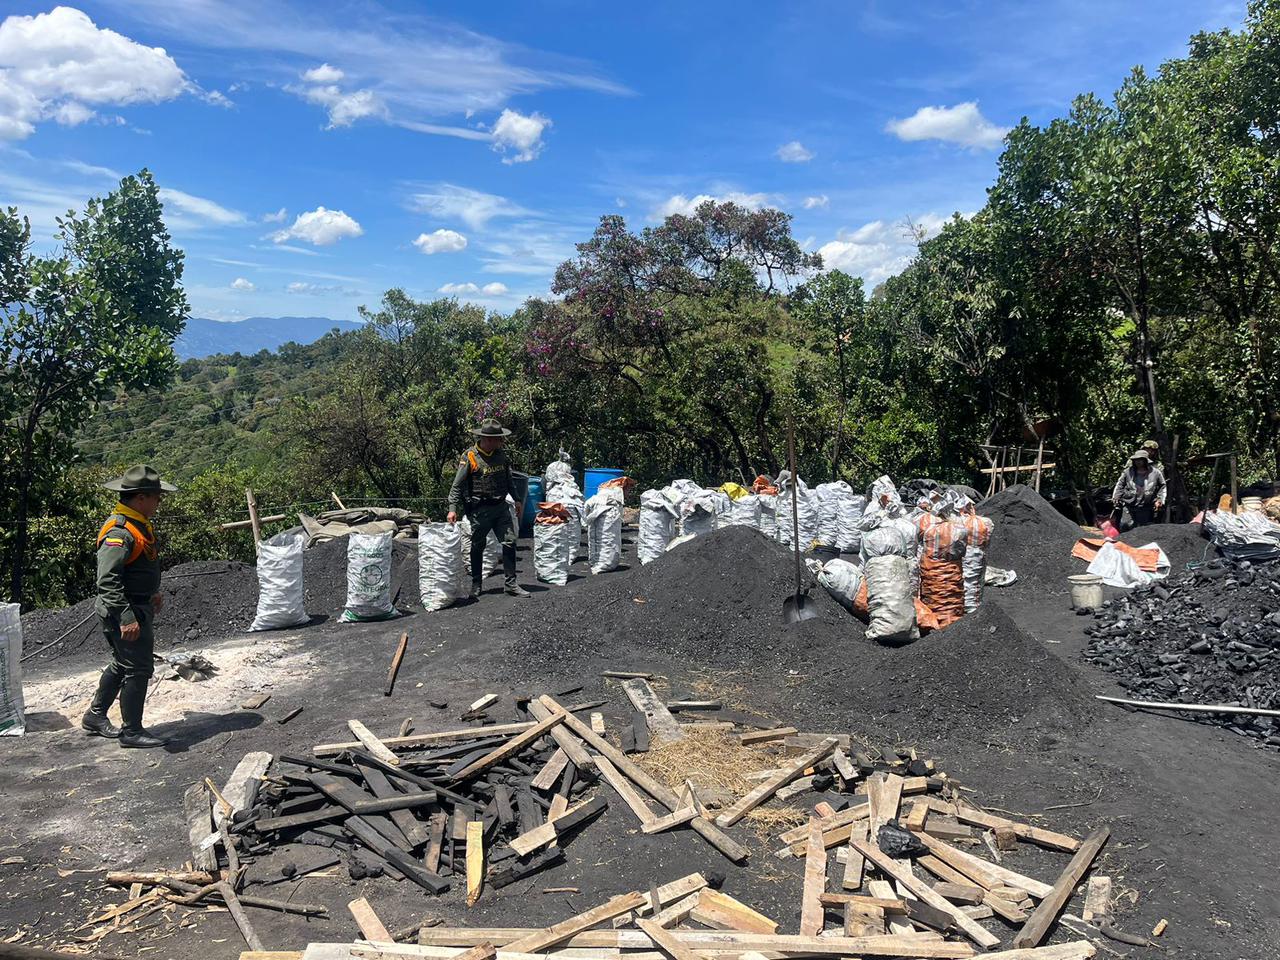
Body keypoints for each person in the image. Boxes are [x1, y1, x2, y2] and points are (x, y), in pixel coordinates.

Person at [81, 465, 177, 748]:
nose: (160, 502)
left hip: (137, 605)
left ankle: (95, 715)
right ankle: (132, 731)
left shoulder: (137, 525)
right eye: (157, 497)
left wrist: (152, 593)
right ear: (140, 498)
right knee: (138, 668)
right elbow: (107, 580)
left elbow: (136, 568)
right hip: (123, 610)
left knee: (123, 664)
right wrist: (126, 617)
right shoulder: (119, 532)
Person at [447, 419, 531, 600]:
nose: (501, 442)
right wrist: (452, 508)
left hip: (501, 508)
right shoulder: (469, 457)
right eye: (498, 439)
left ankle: (511, 584)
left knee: (509, 542)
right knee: (478, 546)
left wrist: (517, 499)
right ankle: (476, 584)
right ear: (488, 439)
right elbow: (456, 486)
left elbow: (508, 480)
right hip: (480, 510)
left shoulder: (501, 455)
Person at [1110, 449, 1166, 530]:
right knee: (1125, 526)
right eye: (1136, 460)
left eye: (1140, 460)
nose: (1138, 462)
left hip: (1145, 505)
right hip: (1129, 504)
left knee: (1141, 529)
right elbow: (1120, 484)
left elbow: (1162, 486)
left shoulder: (1155, 473)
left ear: (1146, 461)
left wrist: (1160, 499)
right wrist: (1116, 496)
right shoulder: (1128, 472)